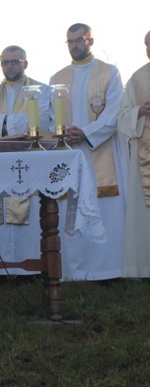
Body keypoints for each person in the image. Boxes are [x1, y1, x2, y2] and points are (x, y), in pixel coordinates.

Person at [49, 23, 128, 281]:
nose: (74, 45)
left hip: (100, 152)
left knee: (106, 208)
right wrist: (62, 132)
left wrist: (86, 132)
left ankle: (109, 270)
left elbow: (114, 112)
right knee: (72, 209)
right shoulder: (57, 78)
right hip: (69, 152)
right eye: (70, 41)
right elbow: (50, 117)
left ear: (90, 41)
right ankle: (74, 272)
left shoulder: (109, 72)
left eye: (79, 40)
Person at [0, 45, 50, 276]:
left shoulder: (41, 90)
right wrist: (13, 123)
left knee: (29, 213)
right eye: (6, 62)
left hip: (29, 161)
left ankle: (29, 270)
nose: (10, 66)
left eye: (15, 61)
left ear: (25, 63)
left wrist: (1, 124)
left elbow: (40, 122)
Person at [117, 30, 150, 277]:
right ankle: (144, 268)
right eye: (148, 45)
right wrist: (139, 110)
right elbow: (122, 118)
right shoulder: (137, 78)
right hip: (144, 154)